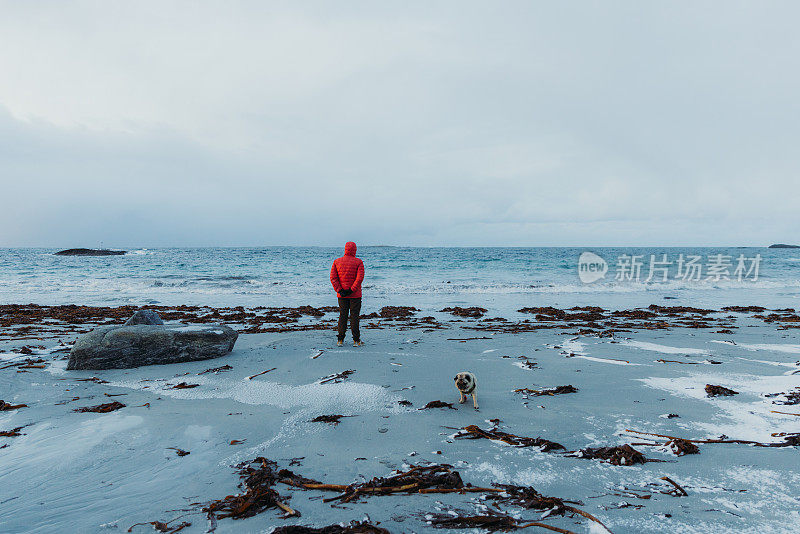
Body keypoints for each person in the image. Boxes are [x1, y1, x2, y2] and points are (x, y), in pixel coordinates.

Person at [329, 241, 365, 346]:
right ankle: (356, 340)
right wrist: (352, 290)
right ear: (355, 250)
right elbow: (359, 278)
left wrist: (340, 290)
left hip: (342, 295)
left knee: (342, 316)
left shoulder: (337, 261)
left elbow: (333, 278)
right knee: (354, 316)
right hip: (355, 294)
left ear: (345, 249)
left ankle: (340, 340)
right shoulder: (358, 262)